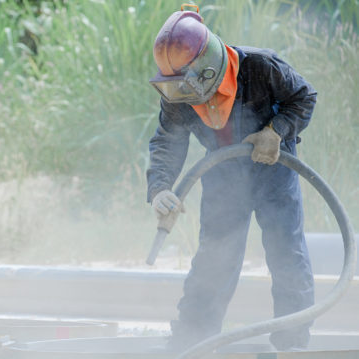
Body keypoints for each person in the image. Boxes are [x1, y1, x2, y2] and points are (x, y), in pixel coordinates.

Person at [146, 7, 317, 352]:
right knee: (214, 259)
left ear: (207, 65)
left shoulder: (261, 67)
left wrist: (276, 131)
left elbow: (304, 97)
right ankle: (192, 343)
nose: (186, 94)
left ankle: (293, 346)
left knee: (287, 257)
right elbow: (168, 141)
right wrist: (160, 189)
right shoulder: (180, 91)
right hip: (222, 176)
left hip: (274, 170)